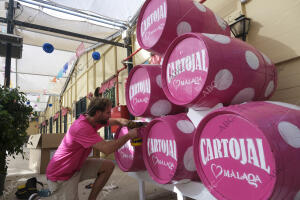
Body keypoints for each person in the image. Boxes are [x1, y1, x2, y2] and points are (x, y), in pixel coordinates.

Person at [46, 97, 138, 200]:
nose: (110, 115)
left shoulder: (93, 120)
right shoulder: (82, 128)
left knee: (108, 166)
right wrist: (128, 136)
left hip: (76, 166)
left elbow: (117, 120)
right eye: (108, 112)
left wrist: (131, 123)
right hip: (61, 175)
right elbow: (107, 149)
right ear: (98, 113)